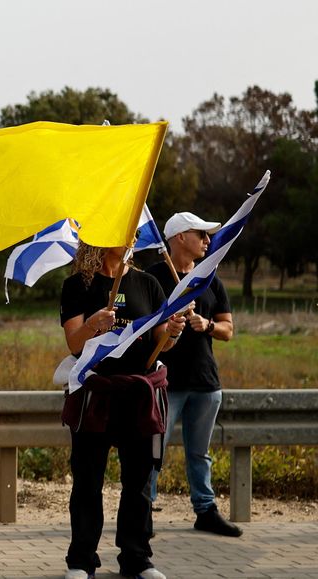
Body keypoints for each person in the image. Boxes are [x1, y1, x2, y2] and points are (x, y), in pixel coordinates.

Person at [60, 243, 186, 579]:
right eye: (122, 231)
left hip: (139, 394)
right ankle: (81, 560)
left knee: (139, 482)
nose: (130, 238)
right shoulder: (78, 285)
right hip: (96, 393)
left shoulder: (148, 284)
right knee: (87, 482)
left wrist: (172, 334)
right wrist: (94, 325)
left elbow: (162, 340)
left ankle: (137, 558)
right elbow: (74, 343)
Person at [146, 212, 241, 537]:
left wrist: (208, 325)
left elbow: (228, 330)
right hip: (166, 382)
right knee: (153, 450)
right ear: (179, 238)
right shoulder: (153, 277)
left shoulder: (210, 278)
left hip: (205, 383)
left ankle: (205, 511)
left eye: (207, 235)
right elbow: (140, 326)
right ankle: (142, 509)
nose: (207, 240)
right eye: (200, 233)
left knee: (200, 454)